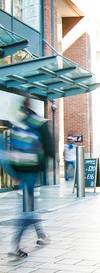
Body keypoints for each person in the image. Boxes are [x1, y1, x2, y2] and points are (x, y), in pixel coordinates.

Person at [8, 98, 54, 258]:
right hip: (31, 171)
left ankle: (41, 235)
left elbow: (11, 148)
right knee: (27, 209)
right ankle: (15, 245)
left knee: (30, 203)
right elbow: (49, 147)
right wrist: (48, 166)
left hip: (20, 170)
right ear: (32, 106)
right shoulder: (38, 122)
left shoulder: (18, 122)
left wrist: (14, 173)